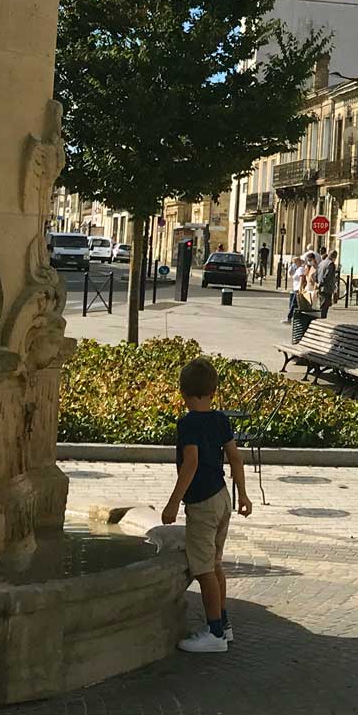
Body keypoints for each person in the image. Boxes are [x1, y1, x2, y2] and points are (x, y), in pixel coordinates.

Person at [160, 357, 252, 654]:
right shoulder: (220, 419)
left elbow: (191, 463)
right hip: (223, 497)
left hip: (201, 503)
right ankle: (224, 625)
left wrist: (173, 503)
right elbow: (236, 458)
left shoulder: (187, 424)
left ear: (183, 393)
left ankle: (214, 633)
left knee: (203, 571)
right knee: (214, 564)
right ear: (213, 391)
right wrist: (244, 495)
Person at [318, 250, 339, 316]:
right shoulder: (331, 264)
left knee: (322, 305)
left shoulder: (322, 262)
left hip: (320, 287)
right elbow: (327, 276)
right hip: (326, 288)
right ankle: (321, 320)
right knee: (324, 307)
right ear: (334, 257)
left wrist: (318, 283)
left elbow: (316, 274)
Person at [175, 237, 194, 302]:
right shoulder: (184, 246)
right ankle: (181, 296)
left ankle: (182, 296)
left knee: (184, 277)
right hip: (183, 268)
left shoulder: (185, 247)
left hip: (183, 268)